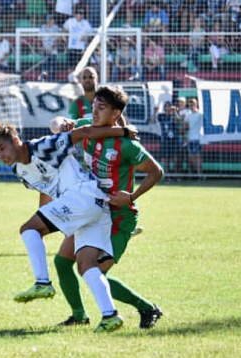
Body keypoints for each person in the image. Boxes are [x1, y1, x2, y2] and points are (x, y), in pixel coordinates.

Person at [0, 120, 139, 332]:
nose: (1, 156)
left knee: (28, 229)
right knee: (87, 266)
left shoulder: (43, 146)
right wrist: (45, 220)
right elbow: (46, 190)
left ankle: (42, 282)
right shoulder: (20, 170)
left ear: (16, 140)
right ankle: (110, 316)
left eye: (2, 148)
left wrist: (122, 131)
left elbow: (83, 132)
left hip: (84, 196)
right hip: (92, 208)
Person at [53, 86, 164, 329]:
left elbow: (156, 171)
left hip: (119, 218)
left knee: (94, 273)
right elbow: (57, 122)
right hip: (90, 212)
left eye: (101, 108)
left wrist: (132, 195)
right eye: (94, 105)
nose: (94, 111)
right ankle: (79, 315)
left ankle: (147, 308)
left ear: (115, 113)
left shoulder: (127, 145)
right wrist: (62, 124)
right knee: (62, 263)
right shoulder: (86, 128)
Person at [151, 100, 181, 181]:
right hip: (165, 140)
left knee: (176, 159)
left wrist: (175, 112)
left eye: (169, 106)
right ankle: (168, 176)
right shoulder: (161, 115)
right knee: (166, 159)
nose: (168, 108)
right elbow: (152, 121)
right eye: (166, 106)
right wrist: (154, 112)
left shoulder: (174, 115)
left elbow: (178, 121)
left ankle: (176, 176)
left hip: (174, 140)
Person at [184, 98, 204, 180]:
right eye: (190, 104)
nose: (191, 106)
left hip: (198, 138)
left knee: (198, 157)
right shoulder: (188, 115)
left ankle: (200, 175)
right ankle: (193, 175)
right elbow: (185, 126)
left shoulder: (200, 114)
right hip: (190, 138)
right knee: (191, 158)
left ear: (196, 104)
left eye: (192, 104)